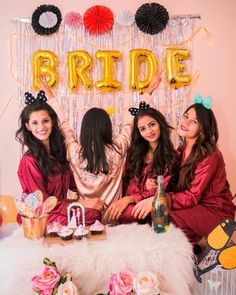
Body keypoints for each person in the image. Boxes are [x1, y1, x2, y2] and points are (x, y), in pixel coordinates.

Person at [41, 70, 161, 225]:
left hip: (86, 220)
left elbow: (63, 126)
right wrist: (148, 92)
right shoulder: (118, 148)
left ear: (84, 130)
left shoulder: (74, 152)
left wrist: (51, 97)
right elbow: (130, 121)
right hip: (115, 218)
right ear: (107, 128)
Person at [133, 94, 235, 246]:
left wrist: (157, 200)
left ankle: (202, 245)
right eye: (186, 116)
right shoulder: (181, 151)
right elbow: (174, 183)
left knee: (164, 214)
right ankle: (191, 248)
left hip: (216, 213)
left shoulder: (211, 156)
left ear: (202, 129)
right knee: (158, 215)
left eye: (194, 121)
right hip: (196, 207)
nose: (185, 122)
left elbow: (192, 195)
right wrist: (154, 185)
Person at [104, 103, 177, 223]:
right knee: (122, 213)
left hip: (151, 203)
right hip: (130, 201)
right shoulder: (134, 152)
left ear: (160, 123)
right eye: (143, 129)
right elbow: (127, 181)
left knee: (134, 214)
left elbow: (165, 189)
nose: (149, 131)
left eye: (152, 125)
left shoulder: (171, 156)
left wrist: (132, 198)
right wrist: (126, 199)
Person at [16, 91, 77, 225]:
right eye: (35, 123)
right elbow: (42, 201)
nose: (41, 127)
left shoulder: (59, 152)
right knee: (89, 214)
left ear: (52, 121)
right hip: (40, 215)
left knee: (94, 210)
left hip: (60, 208)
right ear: (28, 126)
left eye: (45, 121)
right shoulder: (29, 160)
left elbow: (74, 184)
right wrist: (80, 204)